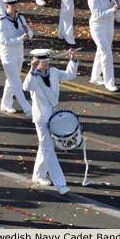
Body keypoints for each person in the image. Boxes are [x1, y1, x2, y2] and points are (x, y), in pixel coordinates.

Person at [23, 48, 79, 195]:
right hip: (41, 118)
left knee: (45, 147)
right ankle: (60, 184)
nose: (47, 61)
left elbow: (69, 75)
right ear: (37, 61)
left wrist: (72, 60)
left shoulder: (53, 71)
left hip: (53, 116)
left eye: (47, 59)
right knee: (48, 149)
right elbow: (26, 87)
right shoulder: (33, 76)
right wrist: (32, 70)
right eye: (44, 60)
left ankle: (38, 175)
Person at [0, 0, 32, 117]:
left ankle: (5, 104)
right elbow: (3, 41)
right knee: (16, 82)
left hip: (19, 53)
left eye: (16, 5)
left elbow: (31, 33)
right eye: (13, 6)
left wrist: (28, 32)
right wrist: (20, 38)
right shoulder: (2, 22)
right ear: (6, 6)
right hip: (8, 56)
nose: (16, 7)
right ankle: (28, 109)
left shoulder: (21, 18)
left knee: (11, 81)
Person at [88, 0, 120, 92]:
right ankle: (109, 82)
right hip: (98, 27)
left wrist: (117, 4)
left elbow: (113, 7)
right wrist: (112, 10)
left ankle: (95, 77)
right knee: (106, 53)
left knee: (101, 51)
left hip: (109, 25)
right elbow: (96, 14)